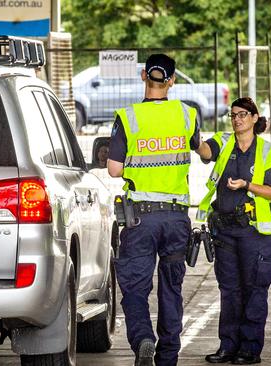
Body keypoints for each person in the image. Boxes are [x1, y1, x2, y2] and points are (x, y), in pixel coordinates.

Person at [107, 53, 200, 366]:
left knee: (134, 287)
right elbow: (200, 148)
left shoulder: (128, 116)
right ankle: (168, 358)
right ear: (172, 80)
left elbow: (114, 170)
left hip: (141, 218)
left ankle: (143, 338)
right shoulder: (187, 115)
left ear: (144, 76)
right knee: (171, 289)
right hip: (176, 218)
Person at [195, 97, 271, 365]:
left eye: (243, 114)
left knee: (254, 289)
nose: (237, 119)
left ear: (255, 118)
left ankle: (250, 349)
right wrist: (194, 138)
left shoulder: (267, 152)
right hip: (225, 232)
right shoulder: (223, 142)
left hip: (255, 234)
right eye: (233, 115)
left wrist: (247, 185)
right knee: (229, 290)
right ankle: (228, 347)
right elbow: (205, 152)